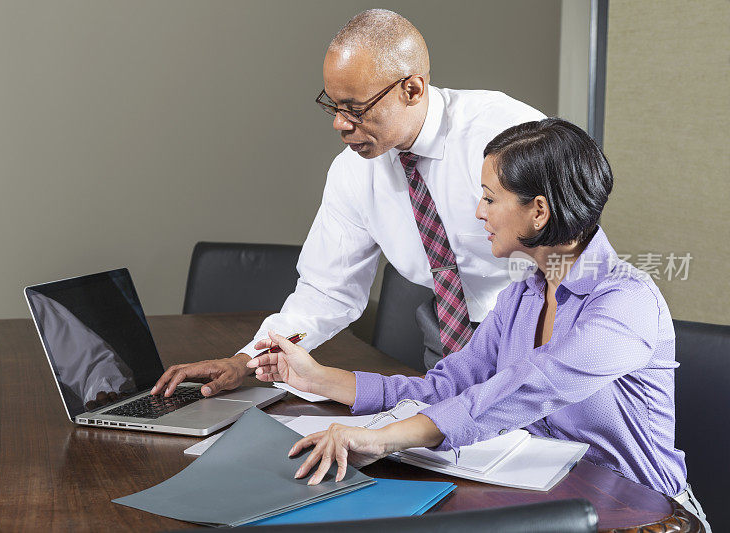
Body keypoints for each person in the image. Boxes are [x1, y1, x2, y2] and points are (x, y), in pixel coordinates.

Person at [247, 118, 711, 532]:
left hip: (645, 516)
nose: (478, 212)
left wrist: (382, 439)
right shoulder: (523, 294)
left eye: (490, 198)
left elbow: (524, 388)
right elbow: (450, 386)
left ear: (540, 211)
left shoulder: (625, 302)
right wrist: (317, 378)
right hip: (551, 501)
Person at [151, 9, 544, 398]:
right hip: (446, 337)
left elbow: (577, 249)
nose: (339, 124)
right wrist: (246, 362)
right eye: (333, 106)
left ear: (413, 89)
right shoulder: (354, 172)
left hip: (537, 329)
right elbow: (327, 291)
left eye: (355, 109)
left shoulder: (506, 134)